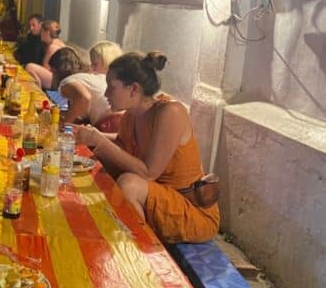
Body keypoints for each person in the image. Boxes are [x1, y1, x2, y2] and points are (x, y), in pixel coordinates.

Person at [70, 51, 220, 243]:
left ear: (133, 89)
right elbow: (121, 144)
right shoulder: (131, 115)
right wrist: (89, 137)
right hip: (158, 197)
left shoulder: (170, 112)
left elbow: (149, 173)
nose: (106, 93)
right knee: (100, 163)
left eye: (111, 87)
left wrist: (99, 140)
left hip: (191, 210)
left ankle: (140, 252)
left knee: (128, 184)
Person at [49, 47, 122, 132]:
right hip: (123, 118)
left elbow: (84, 98)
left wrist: (63, 125)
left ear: (55, 71)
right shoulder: (90, 77)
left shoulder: (66, 82)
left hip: (110, 122)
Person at [24, 20, 65, 89]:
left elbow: (46, 68)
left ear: (47, 32)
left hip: (57, 81)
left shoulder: (52, 47)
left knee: (30, 67)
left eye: (42, 32)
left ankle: (37, 91)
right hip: (59, 79)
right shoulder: (58, 43)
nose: (41, 35)